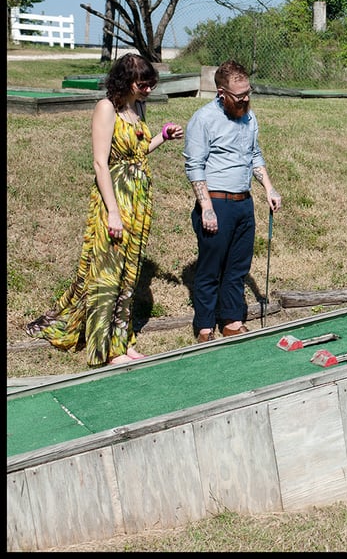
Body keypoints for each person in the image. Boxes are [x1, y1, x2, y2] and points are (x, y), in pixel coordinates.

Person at [25, 54, 184, 367]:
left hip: (139, 200)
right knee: (107, 274)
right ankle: (104, 350)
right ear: (126, 81)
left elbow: (137, 152)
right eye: (143, 84)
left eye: (151, 84)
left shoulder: (138, 106)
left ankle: (121, 341)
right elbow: (101, 162)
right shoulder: (106, 108)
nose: (149, 90)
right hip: (114, 200)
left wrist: (161, 137)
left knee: (128, 275)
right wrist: (112, 211)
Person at [183, 60, 282, 343]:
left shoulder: (248, 118)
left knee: (238, 266)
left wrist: (269, 189)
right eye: (239, 95)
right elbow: (194, 166)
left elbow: (254, 155)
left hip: (243, 203)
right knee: (211, 267)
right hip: (216, 202)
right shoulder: (203, 119)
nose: (246, 99)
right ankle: (204, 327)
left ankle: (232, 320)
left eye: (248, 92)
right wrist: (206, 208)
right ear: (221, 92)